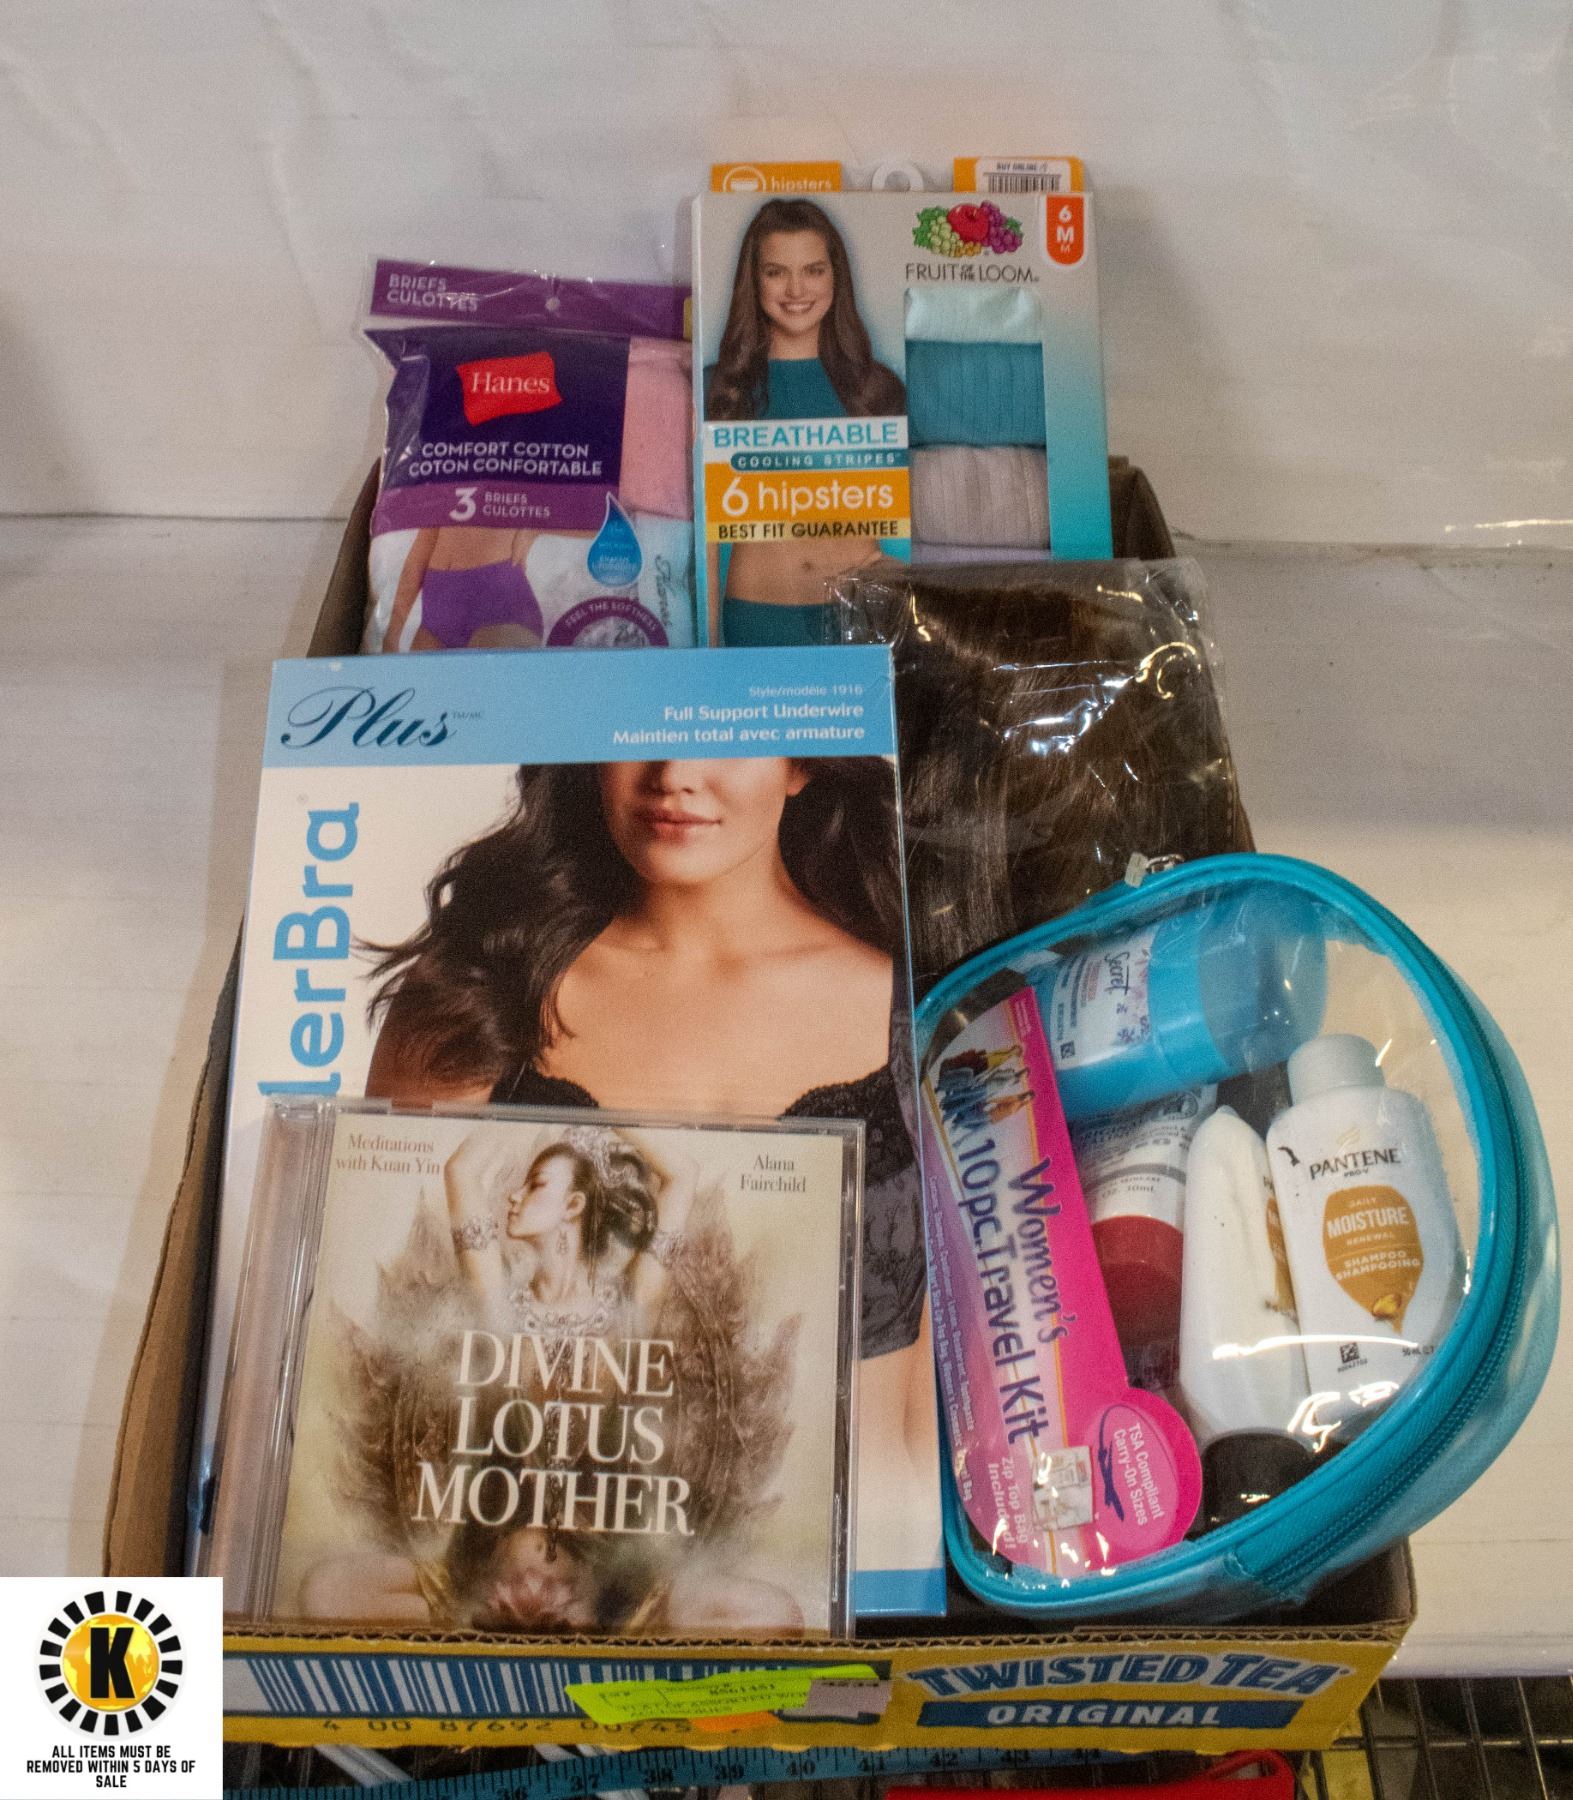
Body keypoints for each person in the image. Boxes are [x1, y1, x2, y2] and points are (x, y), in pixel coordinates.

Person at [366, 755, 938, 1572]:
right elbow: (398, 1339)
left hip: (873, 1574)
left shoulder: (923, 1006)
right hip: (544, 1582)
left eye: (728, 738)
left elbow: (956, 1382)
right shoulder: (477, 994)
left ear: (802, 762)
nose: (674, 774)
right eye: (644, 731)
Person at [704, 199, 905, 646]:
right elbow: (707, 541)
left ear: (836, 277)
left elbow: (899, 523)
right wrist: (710, 644)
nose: (796, 289)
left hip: (858, 615)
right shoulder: (721, 389)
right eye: (776, 272)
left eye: (813, 270)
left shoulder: (878, 387)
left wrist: (899, 577)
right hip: (755, 615)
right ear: (754, 281)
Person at [441, 1121, 693, 1337]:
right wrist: (527, 1101)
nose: (514, 1196)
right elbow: (460, 1171)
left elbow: (683, 1174)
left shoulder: (631, 1303)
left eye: (536, 1185)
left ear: (573, 1205)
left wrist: (601, 1109)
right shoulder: (499, 1301)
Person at [384, 525, 549, 651]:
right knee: (420, 685)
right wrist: (393, 632)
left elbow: (565, 511)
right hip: (436, 616)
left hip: (500, 609)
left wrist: (532, 531)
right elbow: (417, 559)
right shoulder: (441, 491)